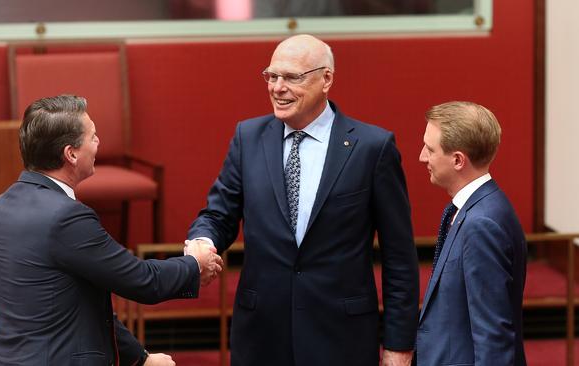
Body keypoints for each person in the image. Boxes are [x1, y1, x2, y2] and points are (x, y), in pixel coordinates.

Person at [187, 34, 419, 366]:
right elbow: (219, 213)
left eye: (292, 77)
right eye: (272, 75)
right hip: (262, 336)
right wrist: (202, 240)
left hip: (341, 338)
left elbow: (400, 258)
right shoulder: (248, 138)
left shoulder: (372, 148)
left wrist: (399, 346)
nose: (277, 87)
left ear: (326, 79)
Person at [0, 95, 223, 366]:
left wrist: (140, 359)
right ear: (71, 154)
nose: (98, 143)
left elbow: (83, 304)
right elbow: (142, 280)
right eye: (93, 137)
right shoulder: (67, 217)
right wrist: (194, 264)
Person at [416, 101, 527, 365]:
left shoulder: (482, 224)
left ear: (457, 160)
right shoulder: (475, 208)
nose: (422, 157)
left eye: (430, 149)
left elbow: (493, 335)